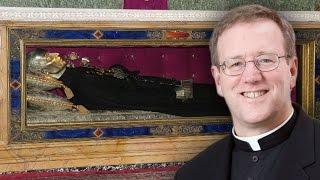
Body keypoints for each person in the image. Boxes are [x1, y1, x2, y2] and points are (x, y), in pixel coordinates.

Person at [175, 4, 320, 180]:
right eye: (236, 64)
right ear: (218, 80)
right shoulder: (192, 174)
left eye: (265, 59)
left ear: (292, 71)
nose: (251, 77)